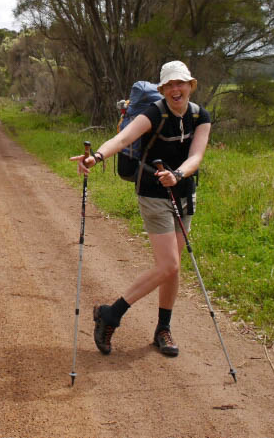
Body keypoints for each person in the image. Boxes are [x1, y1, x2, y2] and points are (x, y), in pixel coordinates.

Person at [70, 60, 211, 357]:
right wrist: (96, 157)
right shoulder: (153, 113)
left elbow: (196, 155)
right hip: (153, 193)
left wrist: (179, 175)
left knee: (173, 268)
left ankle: (162, 330)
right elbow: (123, 139)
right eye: (170, 85)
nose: (176, 89)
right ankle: (112, 313)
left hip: (184, 194)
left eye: (180, 84)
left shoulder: (200, 115)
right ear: (162, 90)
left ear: (190, 85)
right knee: (169, 265)